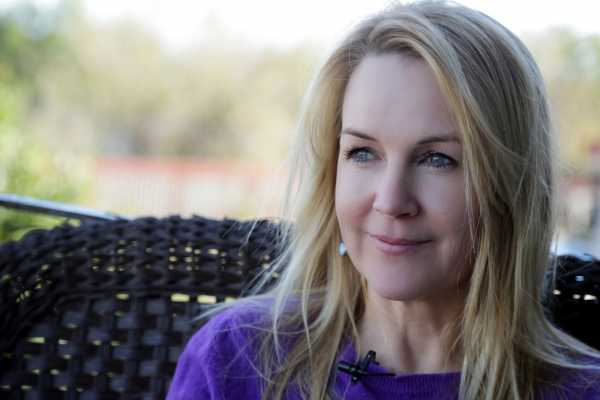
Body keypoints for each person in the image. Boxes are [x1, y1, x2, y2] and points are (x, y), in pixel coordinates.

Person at [167, 1, 600, 399]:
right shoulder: (234, 360)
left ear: (509, 185)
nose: (391, 201)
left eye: (438, 159)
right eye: (363, 153)